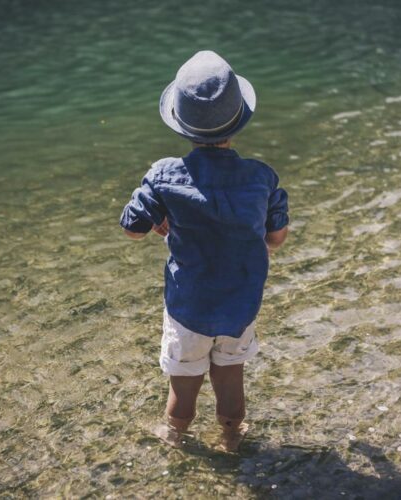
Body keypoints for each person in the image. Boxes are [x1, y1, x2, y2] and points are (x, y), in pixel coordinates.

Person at [119, 51, 289, 452]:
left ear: (181, 123)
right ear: (238, 120)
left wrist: (161, 214)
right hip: (240, 306)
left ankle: (175, 440)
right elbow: (276, 238)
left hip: (188, 307)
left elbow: (132, 229)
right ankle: (233, 440)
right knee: (231, 381)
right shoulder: (260, 177)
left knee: (184, 387)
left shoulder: (164, 175)